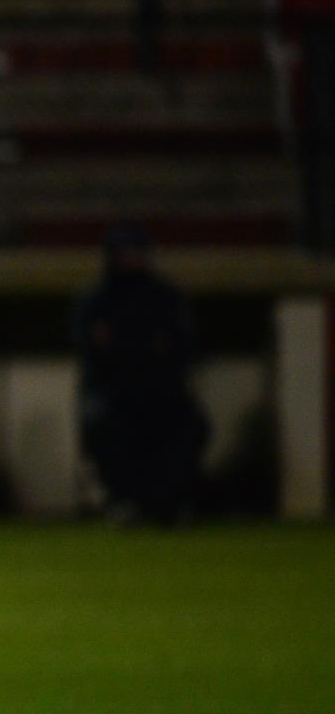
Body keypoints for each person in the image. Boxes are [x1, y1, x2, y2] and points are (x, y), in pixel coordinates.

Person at [75, 225, 208, 526]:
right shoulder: (96, 299)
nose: (130, 260)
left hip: (161, 389)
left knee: (190, 426)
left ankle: (167, 501)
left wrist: (132, 346)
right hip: (112, 391)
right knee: (103, 424)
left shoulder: (164, 296)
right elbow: (93, 349)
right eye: (124, 253)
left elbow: (179, 345)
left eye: (136, 253)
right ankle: (124, 500)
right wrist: (141, 346)